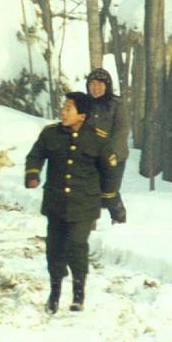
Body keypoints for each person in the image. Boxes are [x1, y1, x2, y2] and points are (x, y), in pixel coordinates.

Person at [25, 92, 121, 314]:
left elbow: (110, 171)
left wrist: (109, 198)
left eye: (69, 108)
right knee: (54, 248)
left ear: (82, 115)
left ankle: (79, 292)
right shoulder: (51, 134)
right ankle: (55, 291)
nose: (64, 112)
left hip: (85, 204)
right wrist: (33, 174)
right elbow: (35, 155)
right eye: (64, 107)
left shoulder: (98, 138)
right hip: (56, 202)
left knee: (76, 245)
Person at [85, 68, 130, 223]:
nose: (95, 88)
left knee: (109, 191)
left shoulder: (117, 104)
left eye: (99, 84)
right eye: (92, 84)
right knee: (88, 191)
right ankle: (87, 225)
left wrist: (111, 155)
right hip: (89, 156)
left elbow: (121, 131)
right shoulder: (83, 104)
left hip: (113, 157)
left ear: (107, 86)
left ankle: (119, 220)